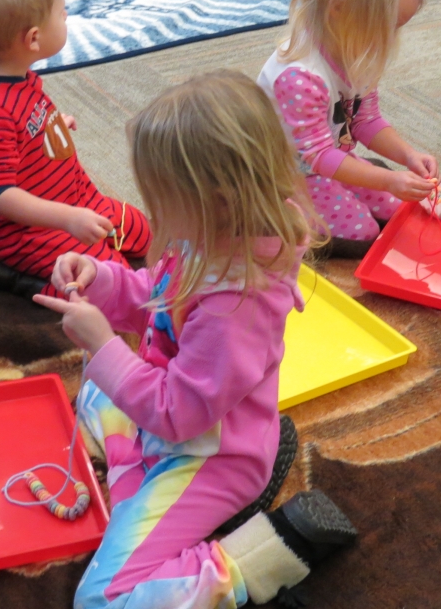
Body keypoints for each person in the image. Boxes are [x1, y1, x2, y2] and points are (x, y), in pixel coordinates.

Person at [33, 70, 357, 608]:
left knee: (102, 600)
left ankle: (251, 559)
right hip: (180, 417)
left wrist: (105, 347)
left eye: (163, 198)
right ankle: (146, 488)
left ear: (218, 199)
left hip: (210, 450)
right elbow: (157, 298)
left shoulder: (239, 303)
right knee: (93, 394)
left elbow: (180, 413)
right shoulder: (208, 239)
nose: (152, 212)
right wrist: (102, 277)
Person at [0, 0, 150, 291]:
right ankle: (17, 279)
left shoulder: (12, 71)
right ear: (33, 39)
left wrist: (50, 127)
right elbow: (0, 195)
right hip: (30, 233)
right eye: (61, 12)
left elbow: (22, 125)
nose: (67, 14)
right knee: (111, 284)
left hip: (76, 197)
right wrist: (68, 219)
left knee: (142, 232)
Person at [257, 0, 441, 251]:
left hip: (333, 157)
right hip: (285, 173)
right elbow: (316, 156)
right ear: (339, 9)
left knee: (396, 210)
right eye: (384, 26)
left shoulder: (356, 51)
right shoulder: (300, 77)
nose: (388, 38)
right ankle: (270, 214)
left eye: (397, 27)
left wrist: (408, 156)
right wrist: (388, 179)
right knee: (361, 233)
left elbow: (364, 121)